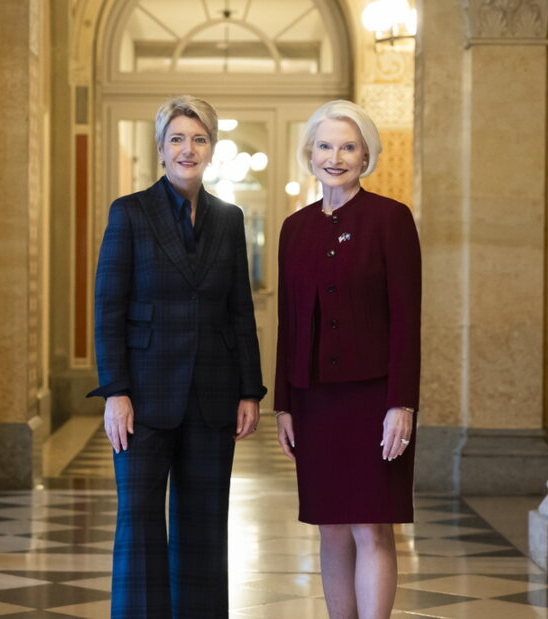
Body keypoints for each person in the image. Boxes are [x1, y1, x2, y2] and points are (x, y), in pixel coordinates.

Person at [88, 95, 267, 618]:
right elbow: (108, 307)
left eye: (199, 138)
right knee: (139, 522)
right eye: (177, 139)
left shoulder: (229, 220)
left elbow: (240, 310)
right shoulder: (130, 213)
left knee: (205, 525)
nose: (188, 149)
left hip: (213, 396)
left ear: (212, 148)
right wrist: (115, 392)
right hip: (142, 398)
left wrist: (249, 390)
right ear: (161, 150)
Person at [274, 100, 421, 618]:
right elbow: (288, 323)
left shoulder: (391, 219)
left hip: (374, 398)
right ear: (309, 154)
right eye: (325, 146)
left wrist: (401, 404)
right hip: (314, 401)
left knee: (371, 525)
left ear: (365, 156)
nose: (335, 157)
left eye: (348, 147)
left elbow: (406, 319)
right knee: (331, 527)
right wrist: (284, 405)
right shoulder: (294, 228)